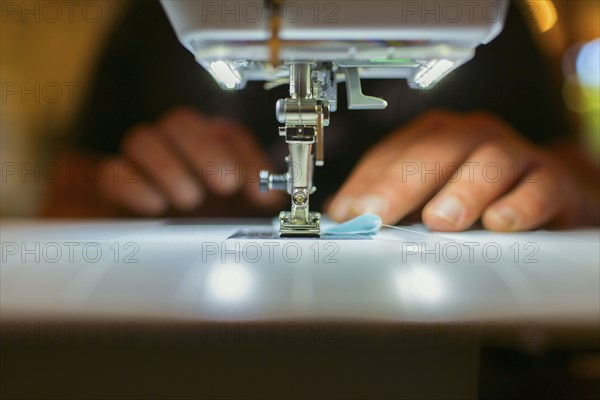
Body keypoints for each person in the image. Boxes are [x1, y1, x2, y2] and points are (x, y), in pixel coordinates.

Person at [44, 0, 599, 231]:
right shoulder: (149, 23)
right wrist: (110, 201)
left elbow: (583, 187)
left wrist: (552, 188)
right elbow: (59, 205)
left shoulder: (499, 35)